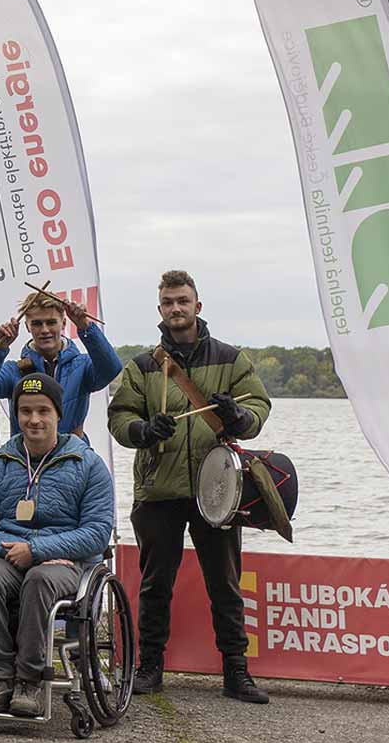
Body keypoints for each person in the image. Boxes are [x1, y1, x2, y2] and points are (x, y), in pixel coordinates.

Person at [109, 270, 273, 705]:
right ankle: (149, 667)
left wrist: (237, 416)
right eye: (168, 302)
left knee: (225, 581)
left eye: (183, 300)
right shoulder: (143, 365)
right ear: (160, 309)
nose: (176, 308)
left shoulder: (230, 358)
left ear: (198, 306)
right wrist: (144, 430)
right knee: (154, 583)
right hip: (157, 490)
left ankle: (236, 672)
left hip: (216, 487)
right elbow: (119, 416)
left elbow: (259, 405)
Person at [0, 373, 114, 716]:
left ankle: (29, 680)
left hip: (67, 565)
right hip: (10, 558)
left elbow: (97, 531)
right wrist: (15, 549)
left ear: (58, 415)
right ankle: (0, 678)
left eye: (43, 411)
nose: (34, 419)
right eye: (25, 411)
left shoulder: (88, 465)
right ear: (16, 415)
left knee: (41, 578)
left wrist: (39, 550)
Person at [0, 290, 122, 438]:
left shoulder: (83, 366)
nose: (44, 330)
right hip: (27, 459)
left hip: (73, 457)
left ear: (63, 323)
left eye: (51, 322)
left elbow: (111, 369)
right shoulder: (14, 371)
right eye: (37, 324)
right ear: (27, 327)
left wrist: (86, 327)